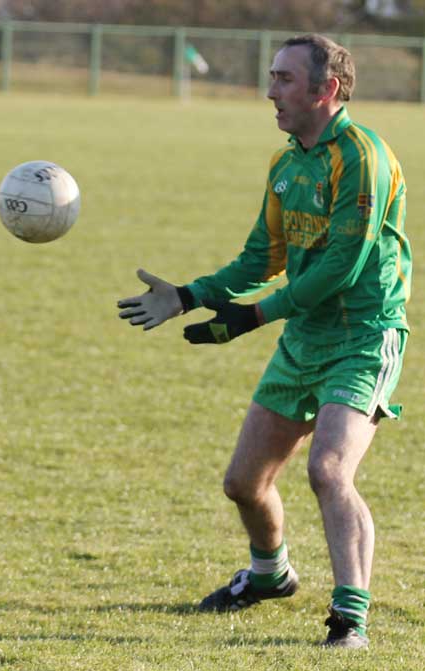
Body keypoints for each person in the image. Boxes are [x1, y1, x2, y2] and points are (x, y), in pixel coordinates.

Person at [117, 33, 412, 649]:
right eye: (272, 76)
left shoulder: (362, 156)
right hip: (304, 337)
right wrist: (189, 295)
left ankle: (349, 619)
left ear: (325, 89)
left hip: (363, 337)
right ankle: (269, 576)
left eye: (282, 78)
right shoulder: (286, 163)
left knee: (329, 471)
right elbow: (263, 256)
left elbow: (343, 266)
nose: (270, 90)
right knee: (244, 485)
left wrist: (252, 318)